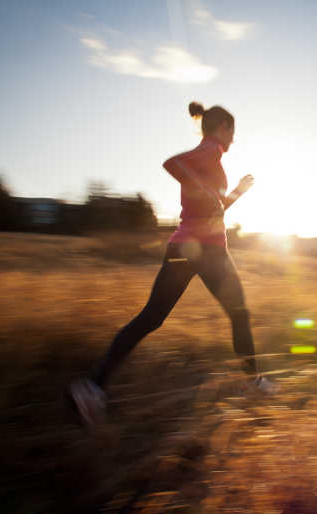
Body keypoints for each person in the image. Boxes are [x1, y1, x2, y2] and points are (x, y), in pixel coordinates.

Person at [69, 101, 276, 427]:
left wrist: (235, 192)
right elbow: (172, 163)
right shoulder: (209, 150)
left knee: (150, 318)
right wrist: (207, 191)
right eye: (232, 132)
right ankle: (254, 383)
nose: (234, 139)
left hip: (184, 246)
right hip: (207, 250)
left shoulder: (210, 158)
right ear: (221, 129)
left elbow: (215, 208)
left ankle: (92, 387)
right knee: (239, 313)